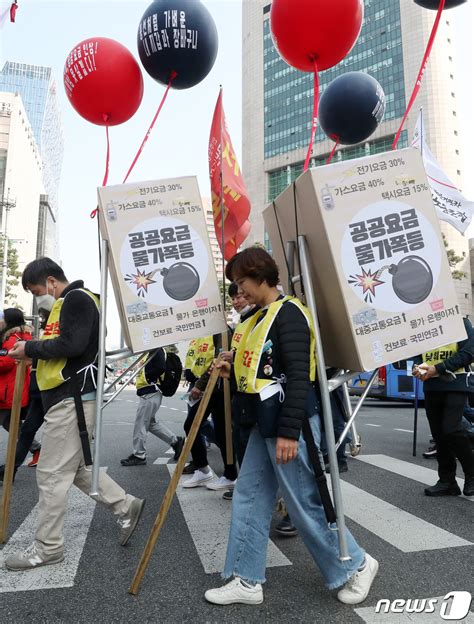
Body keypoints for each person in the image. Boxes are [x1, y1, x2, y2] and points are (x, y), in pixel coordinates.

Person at [205, 247, 378, 606]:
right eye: (235, 284)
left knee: (304, 506)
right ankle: (246, 579)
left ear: (262, 276)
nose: (240, 291)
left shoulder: (290, 315)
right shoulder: (254, 319)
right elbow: (260, 371)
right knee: (249, 497)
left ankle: (358, 564)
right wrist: (230, 368)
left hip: (290, 425)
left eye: (242, 282)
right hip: (261, 425)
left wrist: (288, 432)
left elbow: (300, 376)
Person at [5, 257, 145, 571]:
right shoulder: (71, 303)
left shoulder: (77, 299)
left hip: (74, 399)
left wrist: (30, 349)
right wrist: (33, 350)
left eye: (37, 289)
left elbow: (72, 344)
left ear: (51, 282)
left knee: (51, 474)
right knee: (77, 469)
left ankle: (48, 548)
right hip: (71, 399)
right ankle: (126, 506)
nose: (38, 296)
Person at [413, 317, 474, 497]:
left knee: (451, 428)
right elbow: (417, 353)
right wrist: (418, 367)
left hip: (456, 383)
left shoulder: (460, 321)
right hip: (432, 385)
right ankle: (447, 481)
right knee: (439, 434)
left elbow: (469, 352)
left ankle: (471, 474)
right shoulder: (420, 323)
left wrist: (439, 368)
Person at [182, 332, 238, 491]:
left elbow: (218, 361)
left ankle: (230, 475)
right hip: (208, 385)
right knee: (194, 425)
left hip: (219, 386)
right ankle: (204, 469)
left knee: (223, 432)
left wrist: (200, 385)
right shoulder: (199, 334)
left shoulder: (220, 330)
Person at [120, 348, 184, 466]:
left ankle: (139, 455)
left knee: (141, 424)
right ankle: (175, 441)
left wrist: (148, 376)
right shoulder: (152, 350)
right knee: (150, 423)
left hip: (150, 391)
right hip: (150, 392)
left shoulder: (157, 349)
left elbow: (160, 367)